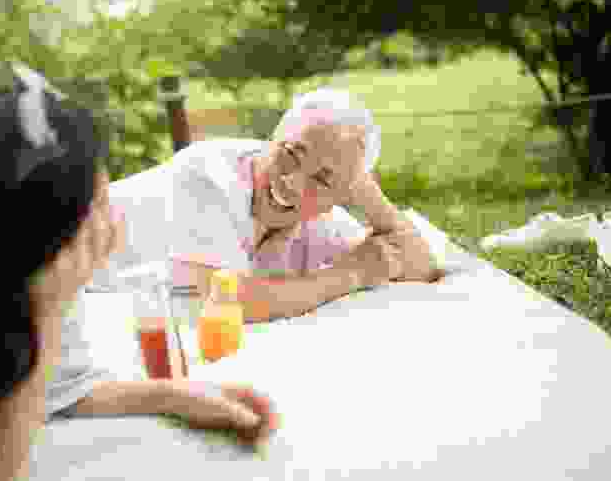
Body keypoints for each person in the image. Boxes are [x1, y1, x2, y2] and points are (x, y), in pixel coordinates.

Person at [0, 65, 278, 481]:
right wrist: (48, 314)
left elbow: (65, 389)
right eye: (98, 207)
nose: (110, 228)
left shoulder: (16, 274)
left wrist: (176, 395)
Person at [163, 88, 443, 321]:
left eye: (321, 179)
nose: (292, 182)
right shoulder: (205, 173)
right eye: (292, 153)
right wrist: (351, 274)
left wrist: (365, 193)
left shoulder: (320, 217)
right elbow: (216, 302)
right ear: (270, 141)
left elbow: (420, 264)